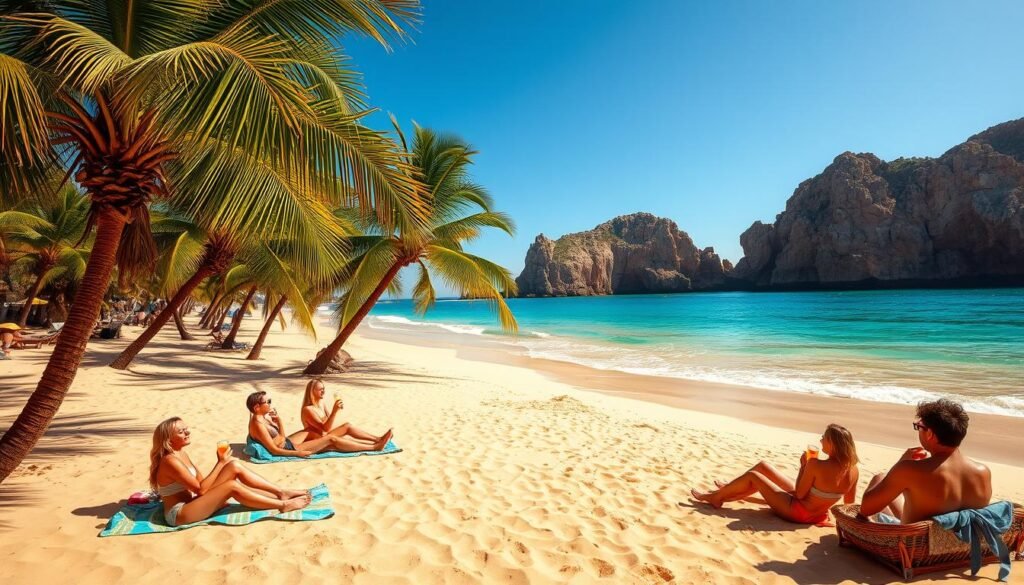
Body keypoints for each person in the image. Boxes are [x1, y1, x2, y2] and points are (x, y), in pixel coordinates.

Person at [150, 417, 310, 527]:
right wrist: (220, 463)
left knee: (234, 466)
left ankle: (281, 492)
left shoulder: (181, 453)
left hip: (192, 502)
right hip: (178, 514)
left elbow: (202, 483)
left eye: (186, 429)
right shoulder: (170, 460)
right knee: (231, 486)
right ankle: (282, 505)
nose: (187, 432)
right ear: (168, 439)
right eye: (181, 431)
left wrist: (224, 465)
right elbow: (201, 489)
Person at [691, 424, 860, 524]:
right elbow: (848, 505)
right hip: (816, 513)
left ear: (833, 444)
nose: (821, 440)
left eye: (824, 437)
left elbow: (800, 495)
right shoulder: (854, 470)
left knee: (754, 477)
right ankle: (727, 489)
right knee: (763, 467)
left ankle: (717, 497)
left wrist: (804, 467)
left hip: (798, 512)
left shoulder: (816, 464)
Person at [860, 399, 991, 524]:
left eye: (919, 426)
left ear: (930, 434)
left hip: (916, 543)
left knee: (879, 479)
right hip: (959, 543)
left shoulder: (909, 470)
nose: (918, 430)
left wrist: (899, 465)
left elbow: (866, 509)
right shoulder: (983, 471)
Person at [247, 391, 391, 458]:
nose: (270, 403)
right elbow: (273, 450)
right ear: (257, 407)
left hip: (287, 442)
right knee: (330, 441)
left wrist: (279, 421)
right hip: (289, 447)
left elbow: (281, 437)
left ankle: (377, 439)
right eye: (268, 402)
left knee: (339, 428)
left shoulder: (262, 418)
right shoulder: (258, 424)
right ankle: (375, 447)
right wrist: (298, 453)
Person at [300, 379, 392, 446]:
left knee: (347, 426)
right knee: (346, 434)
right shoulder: (308, 410)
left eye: (324, 389)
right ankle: (376, 444)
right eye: (321, 389)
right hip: (317, 441)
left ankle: (378, 439)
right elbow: (325, 429)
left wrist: (336, 411)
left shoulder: (321, 404)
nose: (323, 392)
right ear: (312, 392)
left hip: (325, 435)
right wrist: (334, 412)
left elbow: (329, 424)